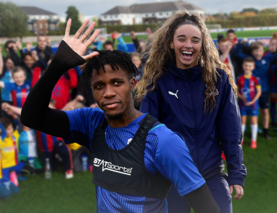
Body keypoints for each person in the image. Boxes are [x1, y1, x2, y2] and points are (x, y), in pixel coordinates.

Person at [20, 19, 220, 213]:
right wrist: (58, 65)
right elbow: (31, 117)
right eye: (99, 86)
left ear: (132, 84)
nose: (108, 92)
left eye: (117, 83)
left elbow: (208, 208)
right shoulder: (90, 123)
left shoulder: (162, 141)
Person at [135, 12, 246, 213]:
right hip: (172, 177)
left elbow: (231, 130)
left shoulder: (218, 79)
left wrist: (236, 173)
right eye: (182, 39)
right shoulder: (158, 82)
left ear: (202, 45)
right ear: (171, 43)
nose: (188, 45)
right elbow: (146, 133)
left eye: (195, 40)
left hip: (211, 173)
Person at [233, 38, 277, 139]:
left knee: (265, 111)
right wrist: (241, 43)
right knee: (249, 111)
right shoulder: (249, 58)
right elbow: (237, 54)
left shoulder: (267, 59)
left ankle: (265, 131)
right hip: (250, 91)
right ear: (252, 51)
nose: (258, 53)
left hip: (264, 90)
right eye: (256, 51)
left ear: (263, 50)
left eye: (260, 50)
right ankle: (251, 129)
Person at [237, 57, 262, 148]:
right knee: (242, 121)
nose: (247, 67)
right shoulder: (240, 78)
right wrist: (241, 97)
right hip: (243, 104)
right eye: (246, 65)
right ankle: (241, 139)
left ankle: (253, 140)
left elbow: (259, 91)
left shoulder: (255, 78)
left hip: (253, 104)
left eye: (249, 66)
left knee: (253, 121)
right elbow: (236, 90)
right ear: (243, 66)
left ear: (253, 67)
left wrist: (253, 101)